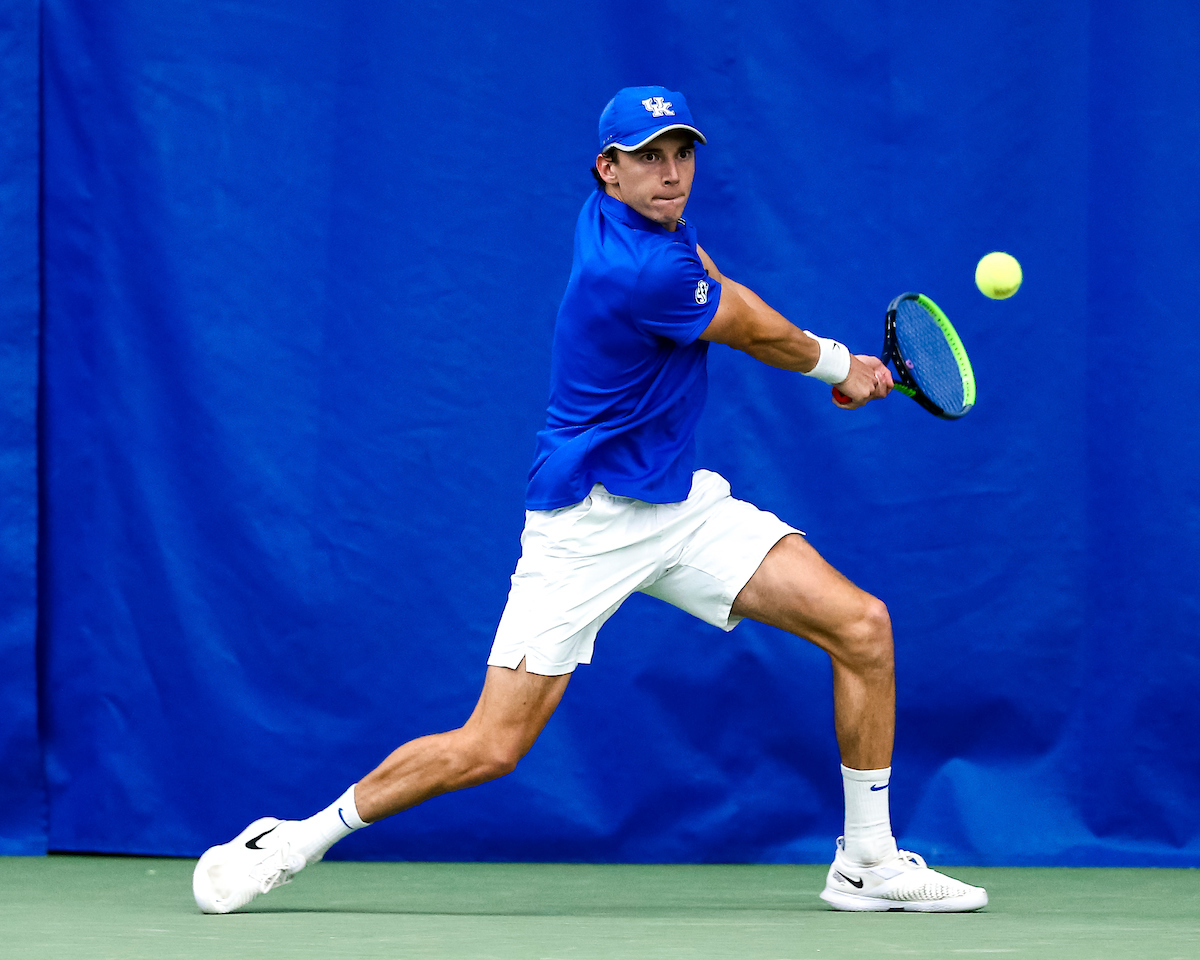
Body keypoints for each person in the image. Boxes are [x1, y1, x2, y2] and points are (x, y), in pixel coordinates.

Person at [192, 85, 987, 915]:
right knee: (492, 746)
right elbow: (748, 324)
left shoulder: (638, 225)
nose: (672, 172)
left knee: (862, 627)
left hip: (679, 507)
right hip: (588, 524)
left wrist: (833, 361)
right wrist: (841, 367)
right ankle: (291, 839)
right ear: (609, 169)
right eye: (649, 157)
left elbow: (710, 274)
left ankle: (867, 860)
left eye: (681, 153)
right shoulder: (639, 269)